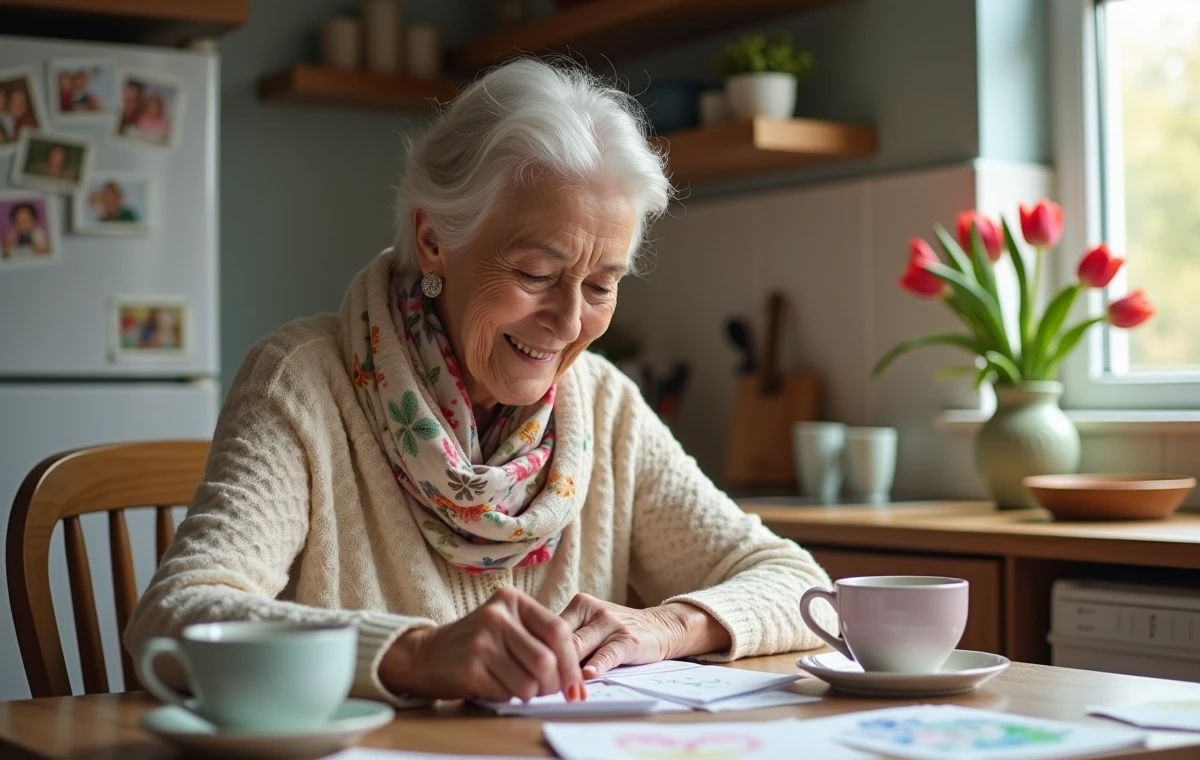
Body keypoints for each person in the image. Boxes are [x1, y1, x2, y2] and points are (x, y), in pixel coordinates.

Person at [124, 59, 834, 707]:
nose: (567, 322)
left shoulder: (604, 405)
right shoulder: (303, 384)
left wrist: (666, 625)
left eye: (600, 285)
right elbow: (177, 611)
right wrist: (416, 653)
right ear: (434, 239)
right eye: (535, 273)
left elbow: (800, 584)